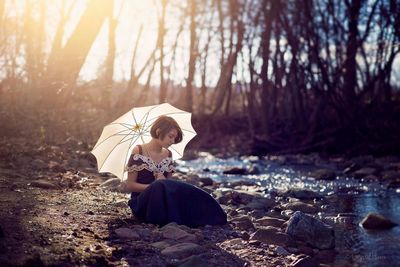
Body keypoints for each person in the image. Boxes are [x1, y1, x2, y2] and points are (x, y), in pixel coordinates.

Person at [121, 115, 227, 228]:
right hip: (142, 203)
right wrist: (155, 185)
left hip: (164, 201)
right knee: (159, 186)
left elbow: (169, 187)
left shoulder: (168, 154)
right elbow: (130, 185)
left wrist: (163, 183)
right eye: (170, 136)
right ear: (158, 131)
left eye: (175, 138)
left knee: (186, 190)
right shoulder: (139, 150)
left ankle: (214, 213)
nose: (172, 141)